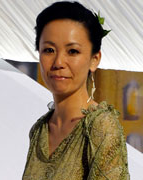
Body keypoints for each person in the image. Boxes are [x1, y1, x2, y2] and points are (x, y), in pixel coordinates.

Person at [22, 1, 130, 179]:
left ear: (94, 59)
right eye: (49, 50)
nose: (58, 63)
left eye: (72, 51)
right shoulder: (39, 130)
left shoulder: (101, 127)